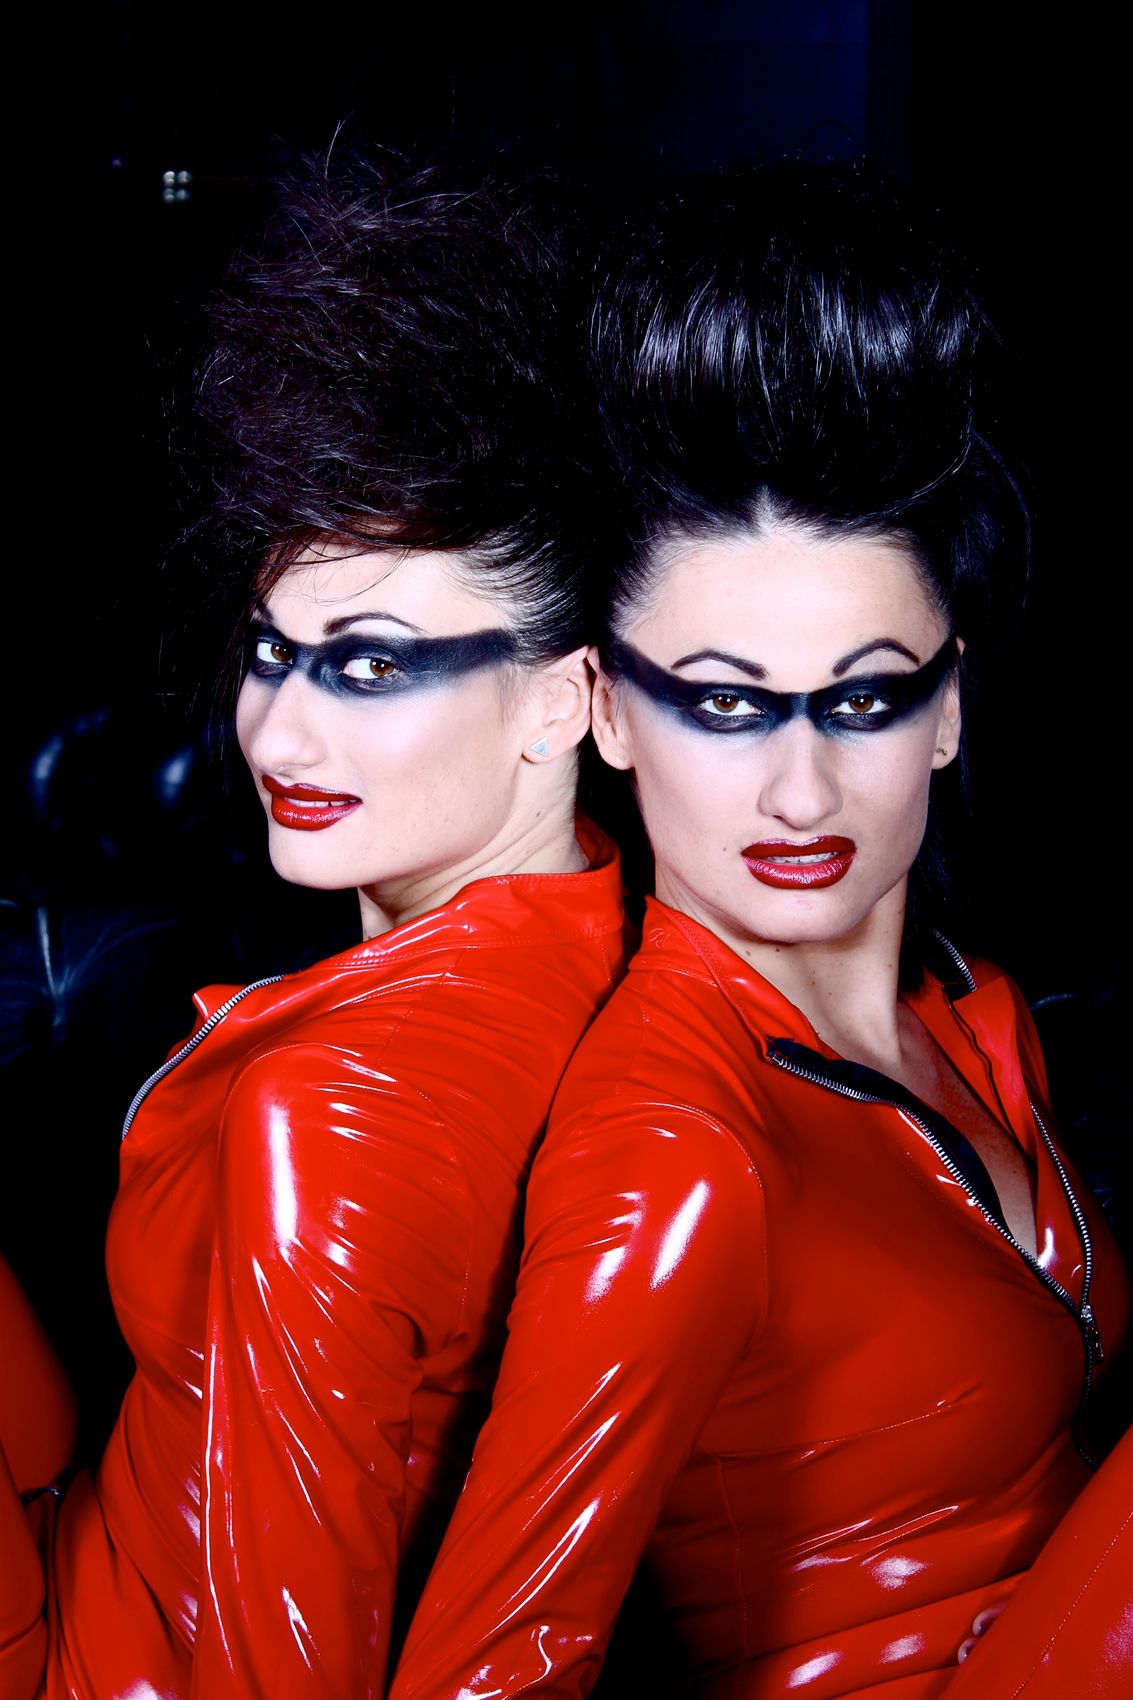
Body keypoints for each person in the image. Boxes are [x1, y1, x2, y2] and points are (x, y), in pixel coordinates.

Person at [388, 164, 1132, 1699]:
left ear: (944, 710)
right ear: (603, 712)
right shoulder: (671, 1145)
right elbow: (482, 1671)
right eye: (723, 705)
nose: (801, 788)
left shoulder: (974, 1019)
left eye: (864, 698)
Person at [0, 154, 625, 1699]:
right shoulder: (616, 944)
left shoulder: (332, 1121)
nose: (276, 734)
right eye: (272, 653)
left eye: (369, 665)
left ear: (563, 697)